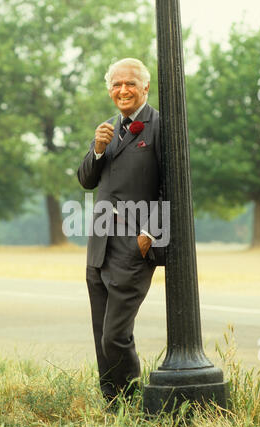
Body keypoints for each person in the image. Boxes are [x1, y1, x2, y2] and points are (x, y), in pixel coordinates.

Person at [77, 58, 165, 403]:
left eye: (130, 84)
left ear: (145, 87)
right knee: (101, 334)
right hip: (99, 245)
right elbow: (86, 180)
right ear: (109, 89)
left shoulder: (161, 126)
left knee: (115, 335)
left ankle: (132, 402)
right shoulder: (108, 129)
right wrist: (97, 149)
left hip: (135, 245)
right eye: (116, 84)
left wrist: (151, 234)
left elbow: (172, 184)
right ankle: (112, 404)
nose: (123, 90)